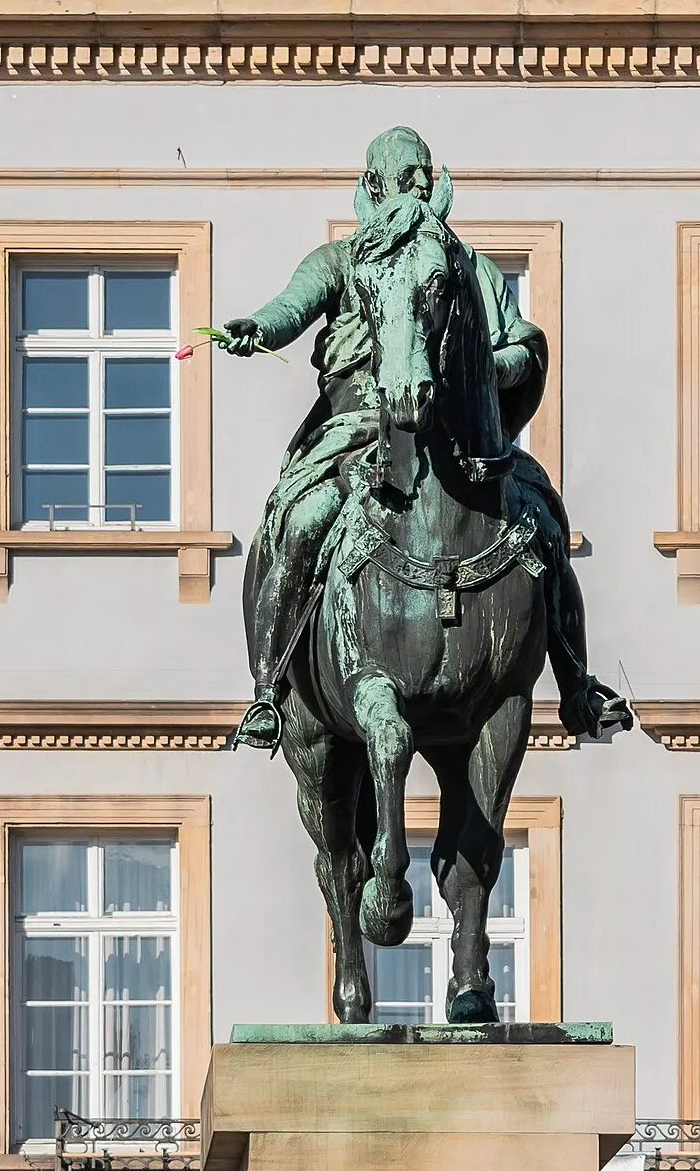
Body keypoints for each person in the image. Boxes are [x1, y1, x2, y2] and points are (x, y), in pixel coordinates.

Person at [218, 125, 627, 752]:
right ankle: (270, 690)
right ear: (372, 188)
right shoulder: (342, 262)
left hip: (457, 436)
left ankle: (575, 680)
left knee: (543, 515)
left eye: (421, 179)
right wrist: (260, 328)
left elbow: (520, 342)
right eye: (399, 179)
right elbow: (292, 307)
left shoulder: (471, 270)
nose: (411, 191)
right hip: (355, 432)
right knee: (301, 521)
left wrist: (489, 371)